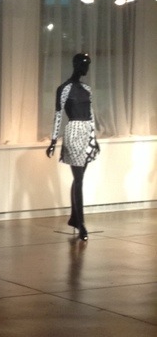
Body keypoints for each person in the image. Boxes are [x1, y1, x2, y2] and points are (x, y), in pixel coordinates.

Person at [46, 52, 99, 242]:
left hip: (86, 133)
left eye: (88, 64)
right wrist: (53, 140)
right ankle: (81, 223)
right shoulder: (64, 89)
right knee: (78, 180)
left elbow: (91, 114)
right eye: (84, 64)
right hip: (74, 131)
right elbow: (58, 115)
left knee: (79, 178)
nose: (87, 68)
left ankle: (75, 218)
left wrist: (94, 137)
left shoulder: (87, 89)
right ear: (76, 64)